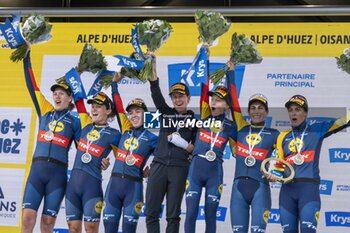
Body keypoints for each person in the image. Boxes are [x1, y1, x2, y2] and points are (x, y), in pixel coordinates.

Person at [21, 51, 81, 233]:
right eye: (55, 93)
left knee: (47, 223)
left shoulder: (75, 121)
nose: (57, 96)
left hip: (57, 175)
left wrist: (100, 160)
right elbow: (32, 86)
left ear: (70, 98)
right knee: (27, 219)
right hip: (37, 172)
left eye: (62, 93)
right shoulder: (45, 110)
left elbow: (85, 149)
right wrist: (26, 57)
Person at [273, 94, 350, 233]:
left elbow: (345, 120)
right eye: (290, 110)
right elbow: (279, 165)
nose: (293, 113)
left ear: (305, 113)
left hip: (308, 190)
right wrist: (273, 174)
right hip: (287, 191)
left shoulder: (316, 129)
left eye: (297, 109)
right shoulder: (282, 136)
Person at [145, 56, 197, 233]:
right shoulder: (166, 113)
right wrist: (152, 64)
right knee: (151, 212)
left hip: (179, 168)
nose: (178, 100)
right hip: (158, 166)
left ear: (188, 97)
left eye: (181, 96)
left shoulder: (194, 121)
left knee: (173, 215)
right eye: (174, 97)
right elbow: (155, 90)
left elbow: (195, 149)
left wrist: (182, 143)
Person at [226, 61, 279, 233]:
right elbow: (233, 101)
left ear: (266, 111)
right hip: (238, 188)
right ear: (248, 112)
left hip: (260, 189)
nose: (257, 111)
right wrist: (230, 73)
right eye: (253, 108)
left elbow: (283, 157)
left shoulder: (274, 133)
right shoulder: (241, 127)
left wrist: (276, 172)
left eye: (261, 108)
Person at [103, 73, 157, 233]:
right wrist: (114, 84)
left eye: (138, 112)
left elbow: (164, 156)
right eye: (131, 112)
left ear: (146, 115)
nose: (133, 115)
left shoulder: (151, 137)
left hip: (133, 188)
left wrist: (151, 170)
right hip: (113, 187)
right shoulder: (126, 128)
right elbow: (118, 106)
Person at [65, 86, 121, 233]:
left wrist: (108, 163)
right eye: (93, 106)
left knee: (90, 229)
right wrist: (75, 73)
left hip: (92, 185)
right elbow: (78, 100)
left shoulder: (114, 134)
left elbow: (122, 159)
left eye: (99, 107)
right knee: (73, 229)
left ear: (108, 111)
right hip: (73, 186)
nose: (94, 109)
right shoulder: (85, 123)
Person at [184, 83, 237, 233]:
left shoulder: (230, 126)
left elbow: (244, 144)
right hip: (195, 171)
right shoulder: (202, 118)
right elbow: (203, 86)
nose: (213, 102)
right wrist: (205, 60)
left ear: (227, 105)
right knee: (191, 214)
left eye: (218, 100)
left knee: (210, 215)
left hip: (214, 173)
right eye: (212, 99)